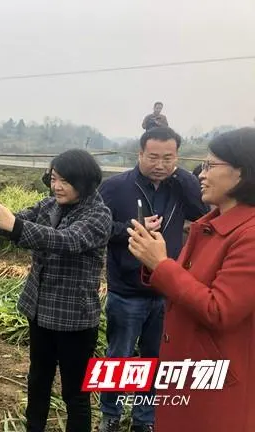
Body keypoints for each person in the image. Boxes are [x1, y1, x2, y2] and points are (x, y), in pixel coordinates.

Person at [0, 149, 112, 432]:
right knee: (37, 381)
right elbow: (16, 221)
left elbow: (66, 240)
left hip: (74, 318)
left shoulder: (99, 215)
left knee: (75, 394)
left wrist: (15, 224)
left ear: (84, 182)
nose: (56, 186)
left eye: (64, 181)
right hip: (40, 311)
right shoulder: (49, 205)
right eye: (54, 179)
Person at [127, 127, 255, 432]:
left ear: (242, 173)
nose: (201, 174)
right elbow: (185, 282)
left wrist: (160, 264)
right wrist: (155, 262)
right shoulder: (209, 226)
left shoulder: (248, 236)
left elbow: (219, 309)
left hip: (216, 380)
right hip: (187, 369)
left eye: (211, 166)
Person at [98, 127, 209, 432]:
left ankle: (145, 418)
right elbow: (97, 227)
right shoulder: (116, 187)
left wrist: (183, 176)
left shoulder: (181, 187)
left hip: (167, 290)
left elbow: (203, 211)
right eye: (153, 157)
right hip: (127, 290)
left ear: (177, 158)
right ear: (140, 154)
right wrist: (130, 229)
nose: (160, 164)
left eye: (168, 158)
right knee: (119, 357)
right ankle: (110, 413)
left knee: (157, 358)